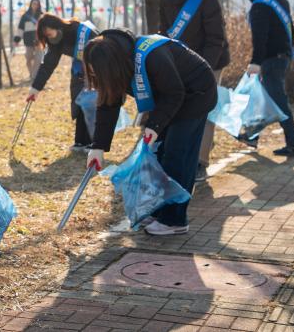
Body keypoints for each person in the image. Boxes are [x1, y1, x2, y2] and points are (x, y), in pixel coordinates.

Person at [83, 29, 217, 236]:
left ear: (113, 66)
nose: (95, 77)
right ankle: (158, 211)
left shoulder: (152, 57)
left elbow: (174, 93)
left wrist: (154, 126)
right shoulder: (114, 60)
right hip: (167, 99)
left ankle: (175, 220)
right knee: (158, 155)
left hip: (196, 94)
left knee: (176, 155)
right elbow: (108, 103)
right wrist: (98, 147)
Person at [156, 0, 230, 183]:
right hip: (179, 60)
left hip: (210, 61)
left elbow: (215, 38)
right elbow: (164, 29)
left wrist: (204, 70)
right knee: (180, 106)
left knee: (204, 108)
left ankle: (200, 161)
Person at [238, 0, 294, 156]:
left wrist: (255, 62)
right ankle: (251, 136)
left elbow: (260, 38)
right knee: (263, 99)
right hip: (283, 56)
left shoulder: (260, 6)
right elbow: (290, 29)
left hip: (271, 60)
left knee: (278, 102)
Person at [26, 13, 100, 153]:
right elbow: (48, 65)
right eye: (45, 35)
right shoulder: (55, 42)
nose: (48, 36)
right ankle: (80, 141)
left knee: (91, 104)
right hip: (79, 71)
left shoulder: (79, 30)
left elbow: (99, 49)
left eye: (48, 32)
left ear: (56, 24)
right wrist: (35, 89)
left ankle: (94, 142)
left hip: (95, 69)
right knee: (78, 102)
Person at [16, 0, 45, 80]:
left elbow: (46, 29)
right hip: (28, 41)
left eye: (37, 4)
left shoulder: (42, 15)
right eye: (34, 3)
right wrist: (17, 40)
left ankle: (34, 76)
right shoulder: (25, 16)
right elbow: (20, 29)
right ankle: (32, 74)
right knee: (28, 58)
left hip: (39, 41)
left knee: (38, 59)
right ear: (31, 4)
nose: (35, 5)